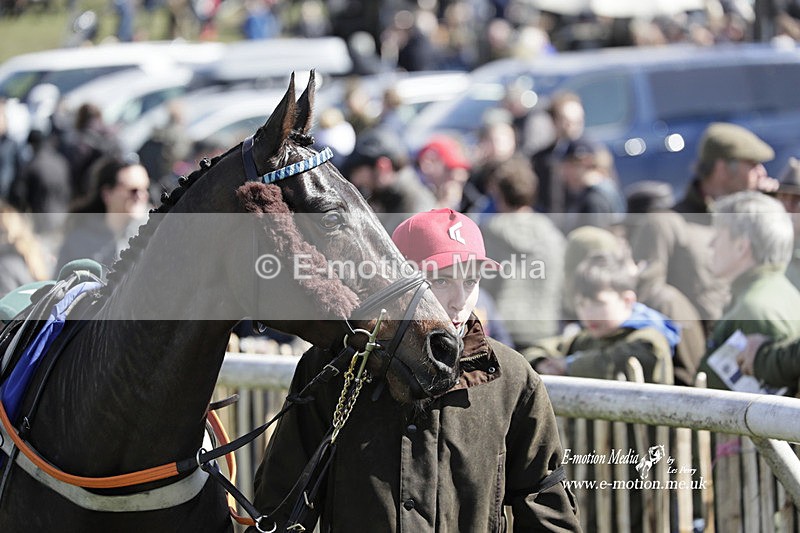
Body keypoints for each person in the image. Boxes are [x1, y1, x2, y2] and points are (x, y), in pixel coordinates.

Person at [250, 208, 581, 532]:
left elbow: (546, 508)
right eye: (441, 280)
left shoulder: (512, 377)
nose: (460, 300)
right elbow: (282, 501)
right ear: (397, 281)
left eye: (471, 280)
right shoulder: (333, 366)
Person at [629, 122, 778, 328]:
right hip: (699, 341)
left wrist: (771, 211)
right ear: (723, 169)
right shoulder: (665, 224)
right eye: (752, 164)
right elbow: (646, 299)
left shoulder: (754, 219)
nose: (762, 173)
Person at [696, 190, 800, 391]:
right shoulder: (776, 291)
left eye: (719, 235)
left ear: (741, 246)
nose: (711, 244)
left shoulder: (755, 310)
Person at [528, 250, 677, 385]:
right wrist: (542, 362)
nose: (588, 314)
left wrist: (567, 365)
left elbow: (613, 363)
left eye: (598, 303)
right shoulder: (587, 337)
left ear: (627, 301)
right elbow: (543, 348)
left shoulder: (649, 339)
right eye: (581, 304)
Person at [480, 157, 566, 349]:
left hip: (504, 332)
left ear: (499, 194)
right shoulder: (552, 234)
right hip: (546, 330)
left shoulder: (490, 232)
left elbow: (482, 284)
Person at [57, 155, 150, 273]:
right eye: (133, 190)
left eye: (146, 189)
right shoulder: (78, 241)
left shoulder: (151, 236)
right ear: (107, 194)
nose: (141, 196)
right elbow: (60, 281)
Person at [342, 127, 435, 234]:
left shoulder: (415, 211)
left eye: (357, 172)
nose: (356, 181)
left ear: (383, 166)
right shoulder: (387, 200)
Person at [555, 137, 626, 234]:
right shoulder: (584, 191)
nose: (564, 172)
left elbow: (593, 237)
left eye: (572, 165)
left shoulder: (594, 198)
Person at [530, 91, 585, 214]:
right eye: (566, 121)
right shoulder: (542, 158)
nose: (572, 126)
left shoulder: (590, 155)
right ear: (554, 121)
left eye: (577, 121)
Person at [415, 135, 472, 211]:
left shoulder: (468, 196)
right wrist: (445, 203)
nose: (456, 177)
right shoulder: (417, 187)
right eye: (449, 170)